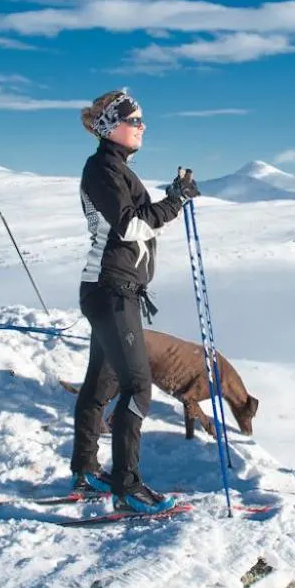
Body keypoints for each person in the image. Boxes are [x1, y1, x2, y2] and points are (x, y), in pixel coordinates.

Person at [69, 89, 200, 514]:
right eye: (134, 120)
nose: (142, 126)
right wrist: (175, 202)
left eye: (142, 120)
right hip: (112, 290)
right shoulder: (103, 168)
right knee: (137, 387)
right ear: (111, 125)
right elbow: (129, 226)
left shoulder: (116, 168)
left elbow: (136, 217)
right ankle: (126, 485)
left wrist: (169, 198)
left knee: (102, 382)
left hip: (111, 290)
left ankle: (87, 470)